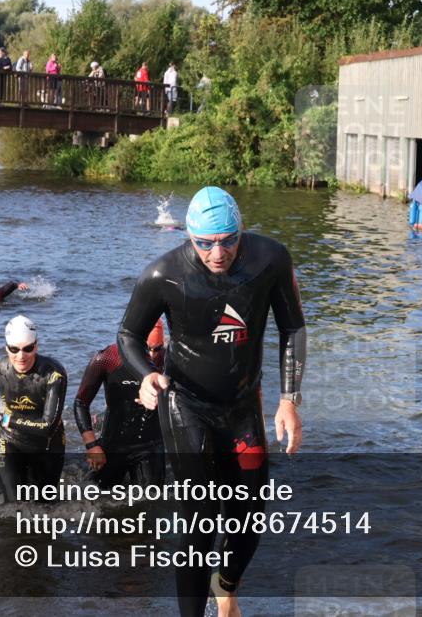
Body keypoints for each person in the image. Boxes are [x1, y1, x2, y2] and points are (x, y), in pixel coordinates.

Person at [118, 186, 306, 617]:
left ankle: (226, 586)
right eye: (205, 243)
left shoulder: (270, 260)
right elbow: (127, 334)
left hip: (242, 405)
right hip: (187, 404)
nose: (217, 253)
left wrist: (290, 399)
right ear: (189, 236)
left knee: (250, 515)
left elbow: (293, 328)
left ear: (240, 232)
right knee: (199, 519)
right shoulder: (162, 275)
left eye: (227, 241)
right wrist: (146, 376)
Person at [0, 316, 67, 502]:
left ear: (36, 346)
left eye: (28, 348)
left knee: (45, 506)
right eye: (14, 349)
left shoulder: (53, 373)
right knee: (13, 505)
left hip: (47, 444)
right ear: (6, 348)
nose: (21, 356)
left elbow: (48, 426)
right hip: (8, 439)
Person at [75, 319, 167, 489]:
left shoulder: (168, 361)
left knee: (151, 501)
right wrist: (92, 446)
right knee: (96, 496)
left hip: (150, 446)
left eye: (158, 348)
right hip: (114, 444)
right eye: (148, 349)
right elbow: (81, 402)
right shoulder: (108, 358)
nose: (153, 356)